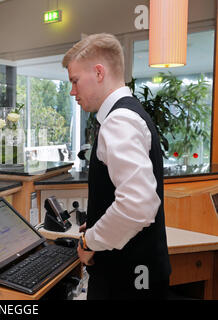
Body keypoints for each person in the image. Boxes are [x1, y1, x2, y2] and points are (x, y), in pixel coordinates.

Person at [62, 33, 171, 299]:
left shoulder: (118, 121)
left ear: (99, 72)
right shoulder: (129, 113)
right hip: (140, 273)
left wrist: (91, 240)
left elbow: (138, 205)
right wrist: (98, 223)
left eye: (75, 81)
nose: (72, 91)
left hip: (127, 280)